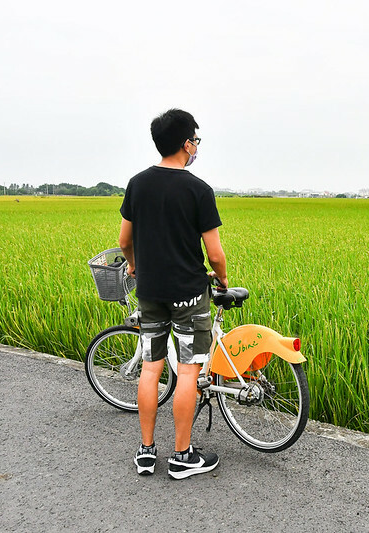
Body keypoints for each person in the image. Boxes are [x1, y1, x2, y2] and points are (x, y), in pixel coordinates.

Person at [118, 108, 228, 479]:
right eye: (196, 139)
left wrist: (134, 265)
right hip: (188, 294)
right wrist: (222, 278)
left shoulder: (137, 184)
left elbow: (124, 240)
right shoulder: (198, 190)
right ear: (186, 144)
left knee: (151, 368)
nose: (197, 146)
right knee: (187, 371)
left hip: (150, 292)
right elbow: (214, 254)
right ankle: (182, 456)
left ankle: (146, 452)